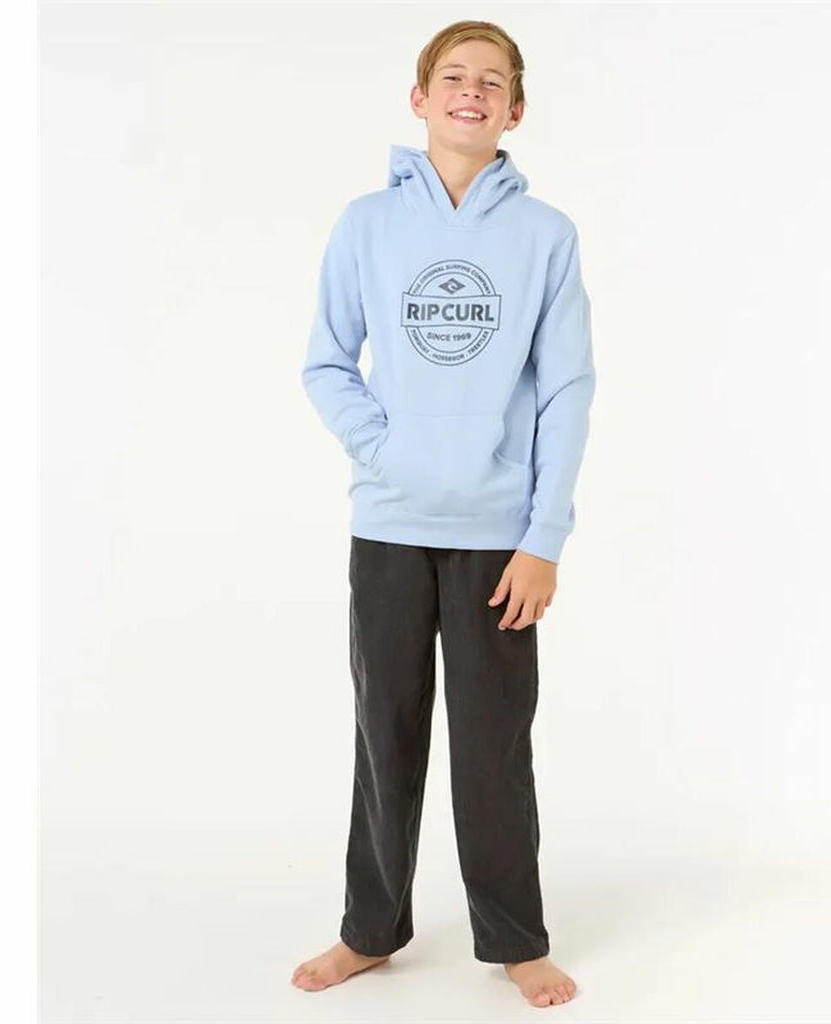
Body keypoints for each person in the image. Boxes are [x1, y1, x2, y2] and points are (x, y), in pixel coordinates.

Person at [292, 19, 595, 1009]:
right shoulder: (366, 225)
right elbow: (326, 363)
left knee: (493, 746)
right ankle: (369, 929)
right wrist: (389, 453)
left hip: (498, 541)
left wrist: (543, 538)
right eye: (453, 76)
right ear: (420, 99)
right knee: (384, 734)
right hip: (388, 526)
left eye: (492, 81)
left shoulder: (545, 236)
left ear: (516, 110)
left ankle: (515, 939)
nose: (472, 91)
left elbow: (567, 391)